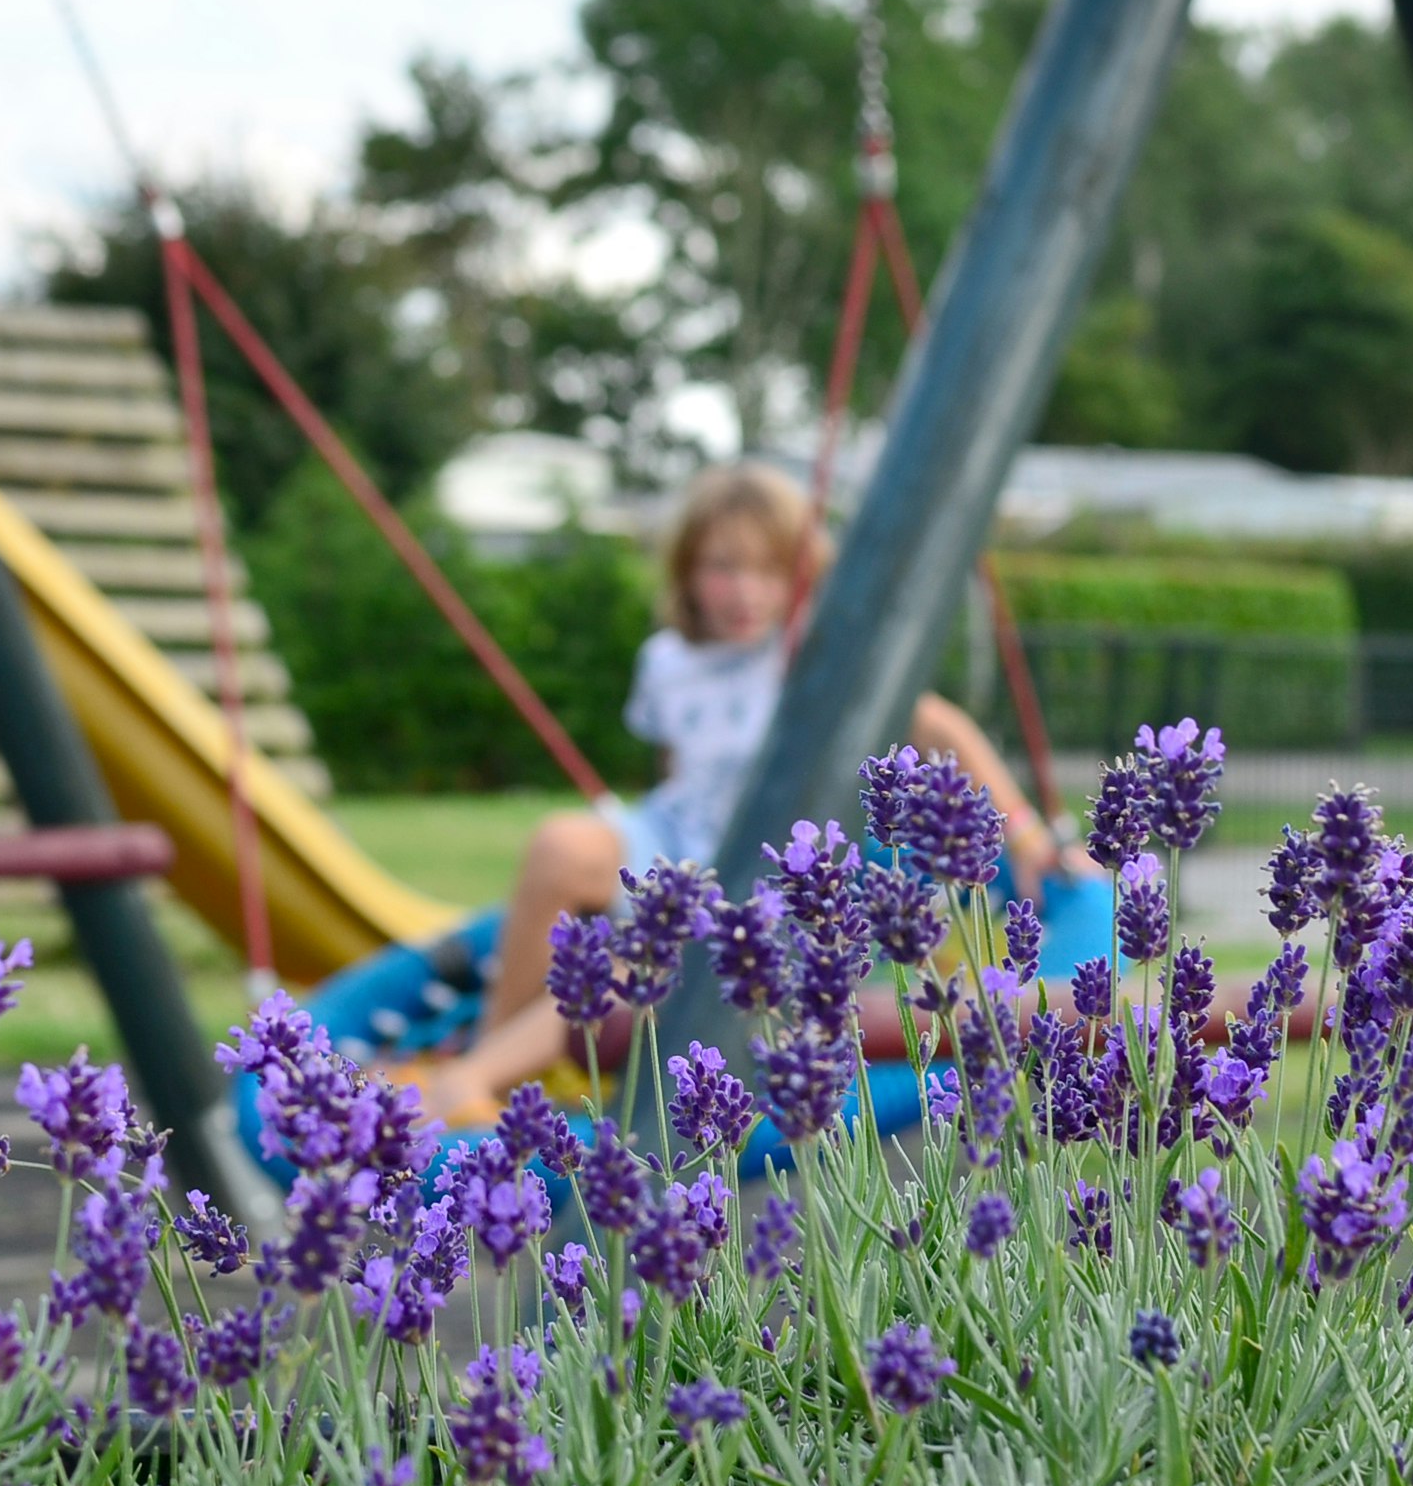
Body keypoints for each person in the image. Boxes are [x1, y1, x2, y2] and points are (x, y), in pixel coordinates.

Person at [409, 460, 1082, 1126]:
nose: (743, 591)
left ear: (803, 578)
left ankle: (476, 1074)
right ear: (687, 572)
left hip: (765, 878)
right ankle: (492, 1053)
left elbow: (941, 726)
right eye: (722, 568)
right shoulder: (668, 662)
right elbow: (678, 772)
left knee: (633, 964)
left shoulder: (816, 659)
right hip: (676, 840)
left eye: (768, 572)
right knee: (561, 843)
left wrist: (1023, 832)